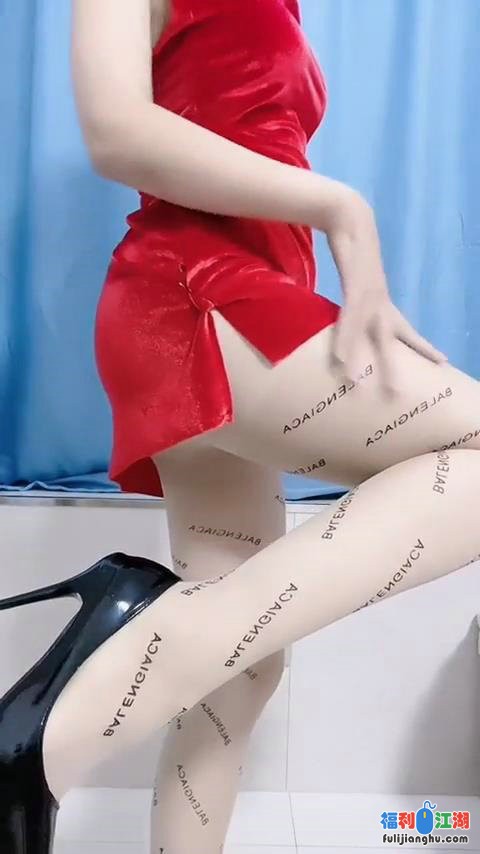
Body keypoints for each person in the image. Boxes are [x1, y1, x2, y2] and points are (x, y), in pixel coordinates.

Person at [1, 1, 480, 853]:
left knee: (244, 670)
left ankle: (141, 648)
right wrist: (343, 208)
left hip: (229, 306)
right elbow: (116, 131)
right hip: (197, 297)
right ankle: (59, 724)